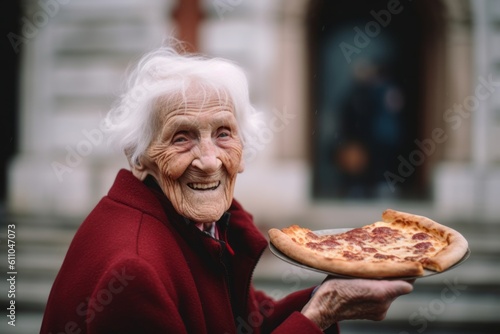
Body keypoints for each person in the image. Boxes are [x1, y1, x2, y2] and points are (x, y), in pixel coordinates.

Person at [40, 46, 413, 334]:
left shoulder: (194, 224)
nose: (209, 161)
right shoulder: (134, 274)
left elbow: (244, 322)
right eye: (181, 138)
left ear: (244, 147)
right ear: (139, 159)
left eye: (223, 134)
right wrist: (321, 313)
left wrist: (329, 295)